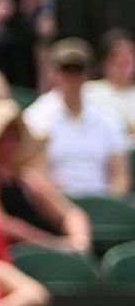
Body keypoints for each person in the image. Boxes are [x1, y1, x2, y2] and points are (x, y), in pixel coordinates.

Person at [0, 100, 92, 253]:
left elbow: (70, 213)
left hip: (48, 250)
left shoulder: (25, 177)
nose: (9, 144)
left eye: (14, 137)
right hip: (13, 256)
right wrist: (47, 243)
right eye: (3, 137)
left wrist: (79, 242)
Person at [24, 38, 130, 200]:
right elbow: (37, 173)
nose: (72, 77)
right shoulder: (37, 117)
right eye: (66, 70)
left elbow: (119, 175)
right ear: (54, 73)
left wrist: (110, 202)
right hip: (58, 204)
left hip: (103, 200)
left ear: (87, 74)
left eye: (78, 70)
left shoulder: (106, 117)